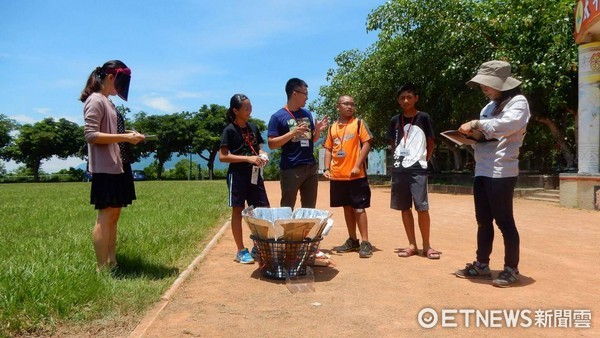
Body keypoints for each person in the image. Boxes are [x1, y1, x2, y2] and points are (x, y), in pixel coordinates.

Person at [454, 60, 530, 287]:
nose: (484, 88)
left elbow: (506, 125)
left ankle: (511, 268)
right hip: (482, 169)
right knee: (482, 221)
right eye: (482, 85)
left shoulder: (518, 102)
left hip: (502, 170)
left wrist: (476, 124)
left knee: (504, 221)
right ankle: (482, 264)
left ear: (503, 84)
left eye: (487, 84)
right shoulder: (488, 108)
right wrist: (468, 138)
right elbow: (487, 134)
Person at [81, 60, 145, 271]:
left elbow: (109, 133)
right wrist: (125, 138)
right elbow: (91, 135)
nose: (123, 86)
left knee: (114, 215)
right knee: (105, 215)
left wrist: (128, 136)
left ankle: (112, 261)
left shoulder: (109, 102)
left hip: (119, 164)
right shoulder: (96, 100)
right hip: (106, 168)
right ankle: (102, 267)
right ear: (111, 77)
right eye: (121, 80)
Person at [386, 83, 441, 259]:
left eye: (409, 97)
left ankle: (427, 246)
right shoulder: (395, 120)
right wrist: (397, 160)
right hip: (400, 169)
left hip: (418, 169)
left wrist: (425, 159)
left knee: (422, 207)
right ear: (398, 100)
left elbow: (431, 140)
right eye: (402, 98)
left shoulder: (423, 117)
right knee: (404, 208)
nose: (406, 100)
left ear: (416, 98)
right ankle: (412, 244)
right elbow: (392, 143)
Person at [219, 94, 270, 264]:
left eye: (250, 106)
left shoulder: (253, 128)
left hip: (255, 175)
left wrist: (263, 155)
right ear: (235, 110)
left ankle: (258, 245)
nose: (250, 110)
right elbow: (223, 156)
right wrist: (247, 159)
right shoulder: (229, 130)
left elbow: (259, 148)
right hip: (238, 175)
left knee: (262, 210)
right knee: (238, 210)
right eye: (246, 107)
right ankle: (240, 250)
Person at [323, 95, 374, 258]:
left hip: (356, 176)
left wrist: (357, 165)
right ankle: (353, 240)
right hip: (338, 176)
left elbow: (367, 143)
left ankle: (365, 242)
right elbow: (328, 149)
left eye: (352, 104)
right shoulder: (332, 128)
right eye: (346, 104)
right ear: (338, 106)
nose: (349, 107)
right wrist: (326, 168)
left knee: (359, 208)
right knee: (346, 207)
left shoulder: (358, 123)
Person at [267, 78, 328, 208]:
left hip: (310, 167)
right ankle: (287, 229)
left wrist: (317, 130)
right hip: (291, 168)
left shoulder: (306, 113)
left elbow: (312, 140)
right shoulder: (278, 117)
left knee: (309, 209)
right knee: (287, 208)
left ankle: (306, 229)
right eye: (305, 94)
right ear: (295, 93)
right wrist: (292, 133)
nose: (307, 98)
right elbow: (271, 144)